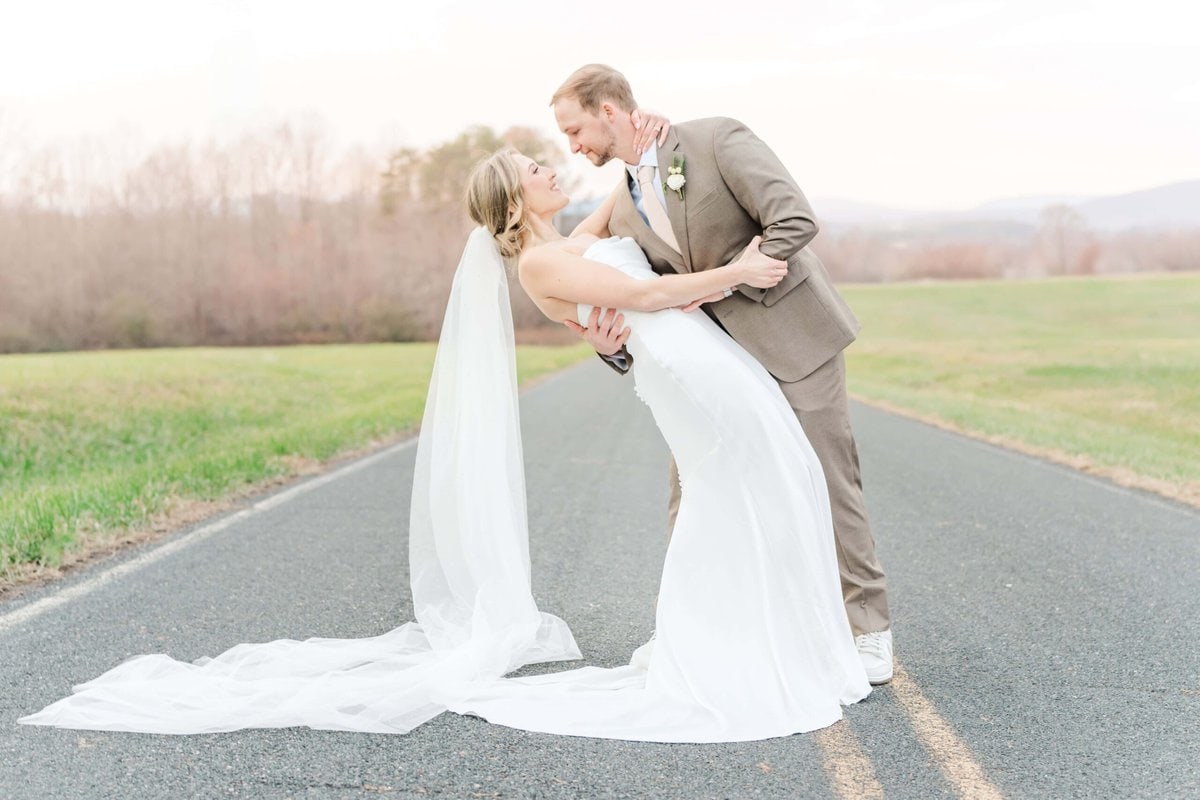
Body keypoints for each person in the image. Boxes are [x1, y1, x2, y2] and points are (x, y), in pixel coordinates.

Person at [18, 146, 868, 744]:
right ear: (515, 201)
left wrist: (636, 147)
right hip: (690, 380)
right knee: (733, 499)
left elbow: (617, 193)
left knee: (756, 494)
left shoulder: (566, 242)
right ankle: (724, 656)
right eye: (534, 168)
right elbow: (646, 299)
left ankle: (763, 639)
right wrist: (737, 273)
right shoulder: (541, 266)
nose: (550, 167)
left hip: (696, 373)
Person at [551, 64, 894, 683]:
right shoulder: (620, 206)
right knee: (693, 488)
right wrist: (611, 348)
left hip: (792, 337)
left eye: (574, 129)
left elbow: (794, 219)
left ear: (608, 110)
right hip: (712, 367)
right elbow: (635, 294)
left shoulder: (714, 139)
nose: (572, 146)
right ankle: (692, 630)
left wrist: (734, 275)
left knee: (827, 477)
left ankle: (868, 628)